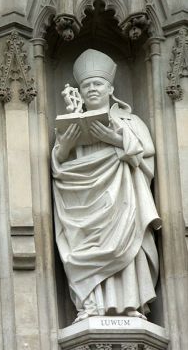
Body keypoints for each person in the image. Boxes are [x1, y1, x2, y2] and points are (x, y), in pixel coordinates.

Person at [52, 49, 161, 323]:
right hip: (84, 203)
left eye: (97, 84)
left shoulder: (130, 121)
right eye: (86, 85)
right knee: (85, 249)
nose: (92, 89)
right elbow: (59, 165)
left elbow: (146, 155)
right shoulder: (69, 124)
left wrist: (114, 138)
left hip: (122, 200)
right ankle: (92, 307)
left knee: (124, 245)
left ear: (110, 88)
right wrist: (63, 147)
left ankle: (128, 305)